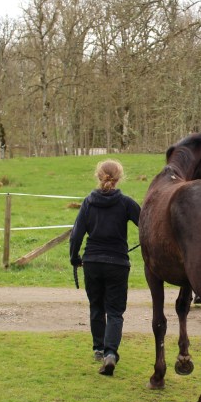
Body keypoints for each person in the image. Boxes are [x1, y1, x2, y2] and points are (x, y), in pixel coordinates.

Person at [69, 159, 141, 376]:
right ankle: (110, 353)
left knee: (96, 307)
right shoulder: (126, 203)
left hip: (92, 261)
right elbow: (146, 224)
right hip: (117, 263)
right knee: (115, 311)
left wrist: (75, 258)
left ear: (98, 176)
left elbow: (76, 234)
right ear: (119, 178)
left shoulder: (88, 202)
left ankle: (99, 349)